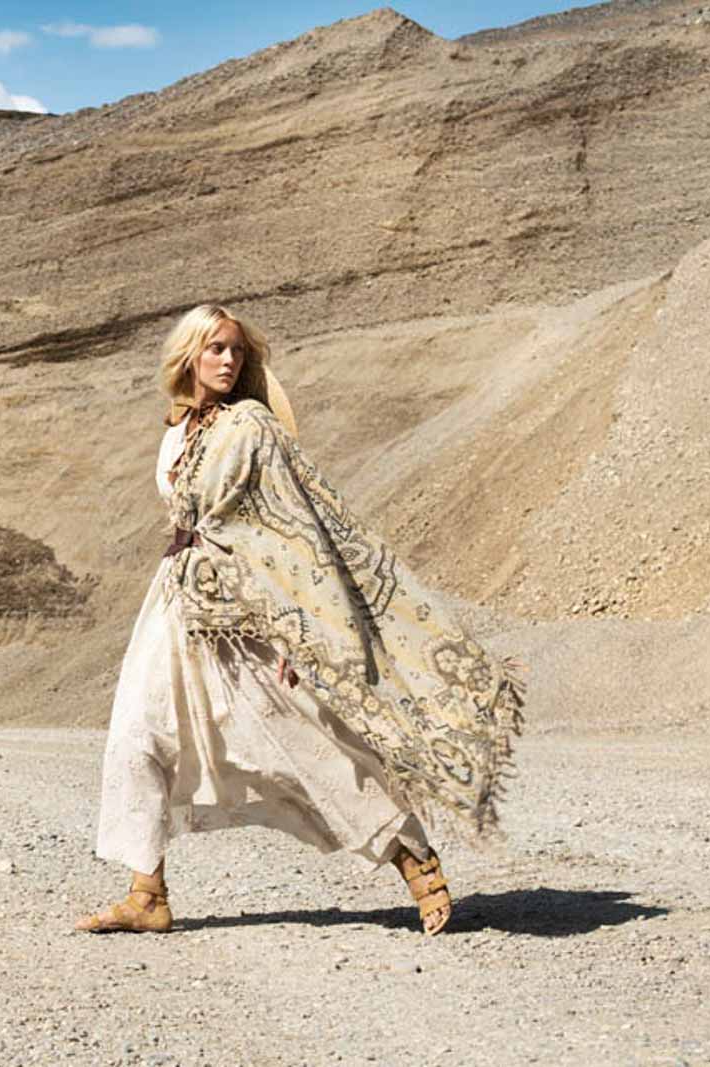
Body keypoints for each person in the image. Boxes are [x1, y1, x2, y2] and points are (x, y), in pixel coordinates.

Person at [76, 304, 524, 936]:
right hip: (177, 604)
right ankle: (146, 893)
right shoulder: (176, 431)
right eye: (215, 349)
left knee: (298, 744)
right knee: (137, 736)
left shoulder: (251, 427)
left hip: (249, 614)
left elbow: (293, 533)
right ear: (189, 356)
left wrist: (297, 626)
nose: (228, 360)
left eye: (236, 350)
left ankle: (413, 857)